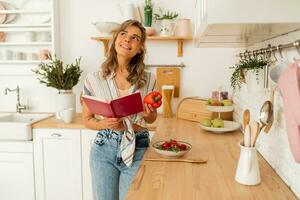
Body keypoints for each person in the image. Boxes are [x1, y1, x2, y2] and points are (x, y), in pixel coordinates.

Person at [82, 20, 157, 200]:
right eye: (123, 34)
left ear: (140, 48)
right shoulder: (93, 79)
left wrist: (149, 114)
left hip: (138, 147)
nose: (127, 40)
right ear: (115, 39)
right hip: (103, 150)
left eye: (135, 37)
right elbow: (87, 120)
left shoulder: (149, 79)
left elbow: (152, 119)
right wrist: (103, 123)